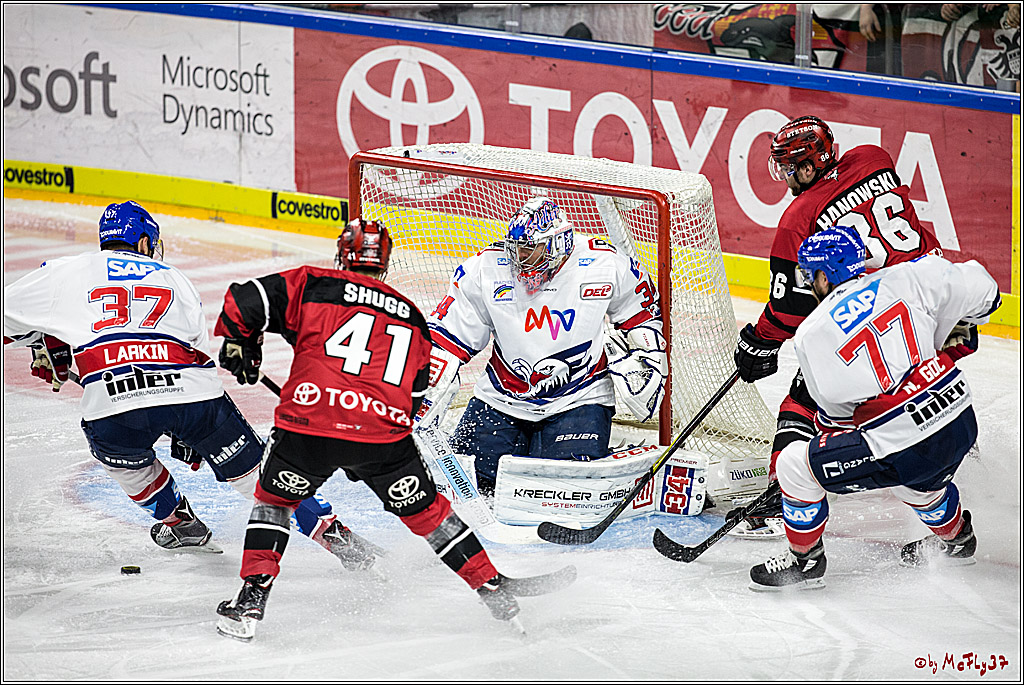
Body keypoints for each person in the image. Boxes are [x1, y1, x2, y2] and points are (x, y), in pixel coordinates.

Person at [213, 218, 569, 641]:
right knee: (430, 513)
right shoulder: (413, 317)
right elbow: (417, 393)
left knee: (274, 503)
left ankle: (251, 601)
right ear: (384, 265)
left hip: (309, 427)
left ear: (342, 254)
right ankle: (491, 586)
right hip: (383, 436)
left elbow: (242, 300)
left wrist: (242, 346)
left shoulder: (313, 283)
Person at [2, 200, 376, 569]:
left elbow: (9, 317)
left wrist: (43, 343)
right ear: (145, 242)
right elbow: (196, 352)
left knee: (125, 462)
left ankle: (180, 524)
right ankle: (333, 534)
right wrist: (188, 430)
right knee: (257, 476)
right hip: (194, 397)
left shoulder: (66, 270)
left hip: (113, 405)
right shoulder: (173, 277)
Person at [748, 225, 1000, 590]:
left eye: (808, 274)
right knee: (913, 477)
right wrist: (959, 323)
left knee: (795, 465)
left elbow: (837, 423)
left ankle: (805, 562)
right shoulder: (907, 275)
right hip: (960, 418)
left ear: (823, 275)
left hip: (908, 442)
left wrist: (806, 491)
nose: (807, 282)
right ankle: (958, 540)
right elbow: (986, 290)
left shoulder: (812, 334)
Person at [731, 115, 943, 534]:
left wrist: (761, 341)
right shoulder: (874, 157)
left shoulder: (799, 215)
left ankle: (782, 497)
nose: (787, 177)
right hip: (936, 303)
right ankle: (950, 457)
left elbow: (792, 303)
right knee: (926, 388)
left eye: (790, 168)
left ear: (809, 166)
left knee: (803, 400)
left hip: (884, 317)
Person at [419, 196, 667, 496]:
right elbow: (447, 336)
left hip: (580, 396)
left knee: (564, 488)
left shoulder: (605, 263)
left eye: (530, 250)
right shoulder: (485, 269)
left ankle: (602, 453)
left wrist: (644, 358)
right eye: (517, 249)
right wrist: (427, 385)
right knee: (468, 481)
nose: (520, 260)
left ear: (558, 244)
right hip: (502, 397)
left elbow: (642, 315)